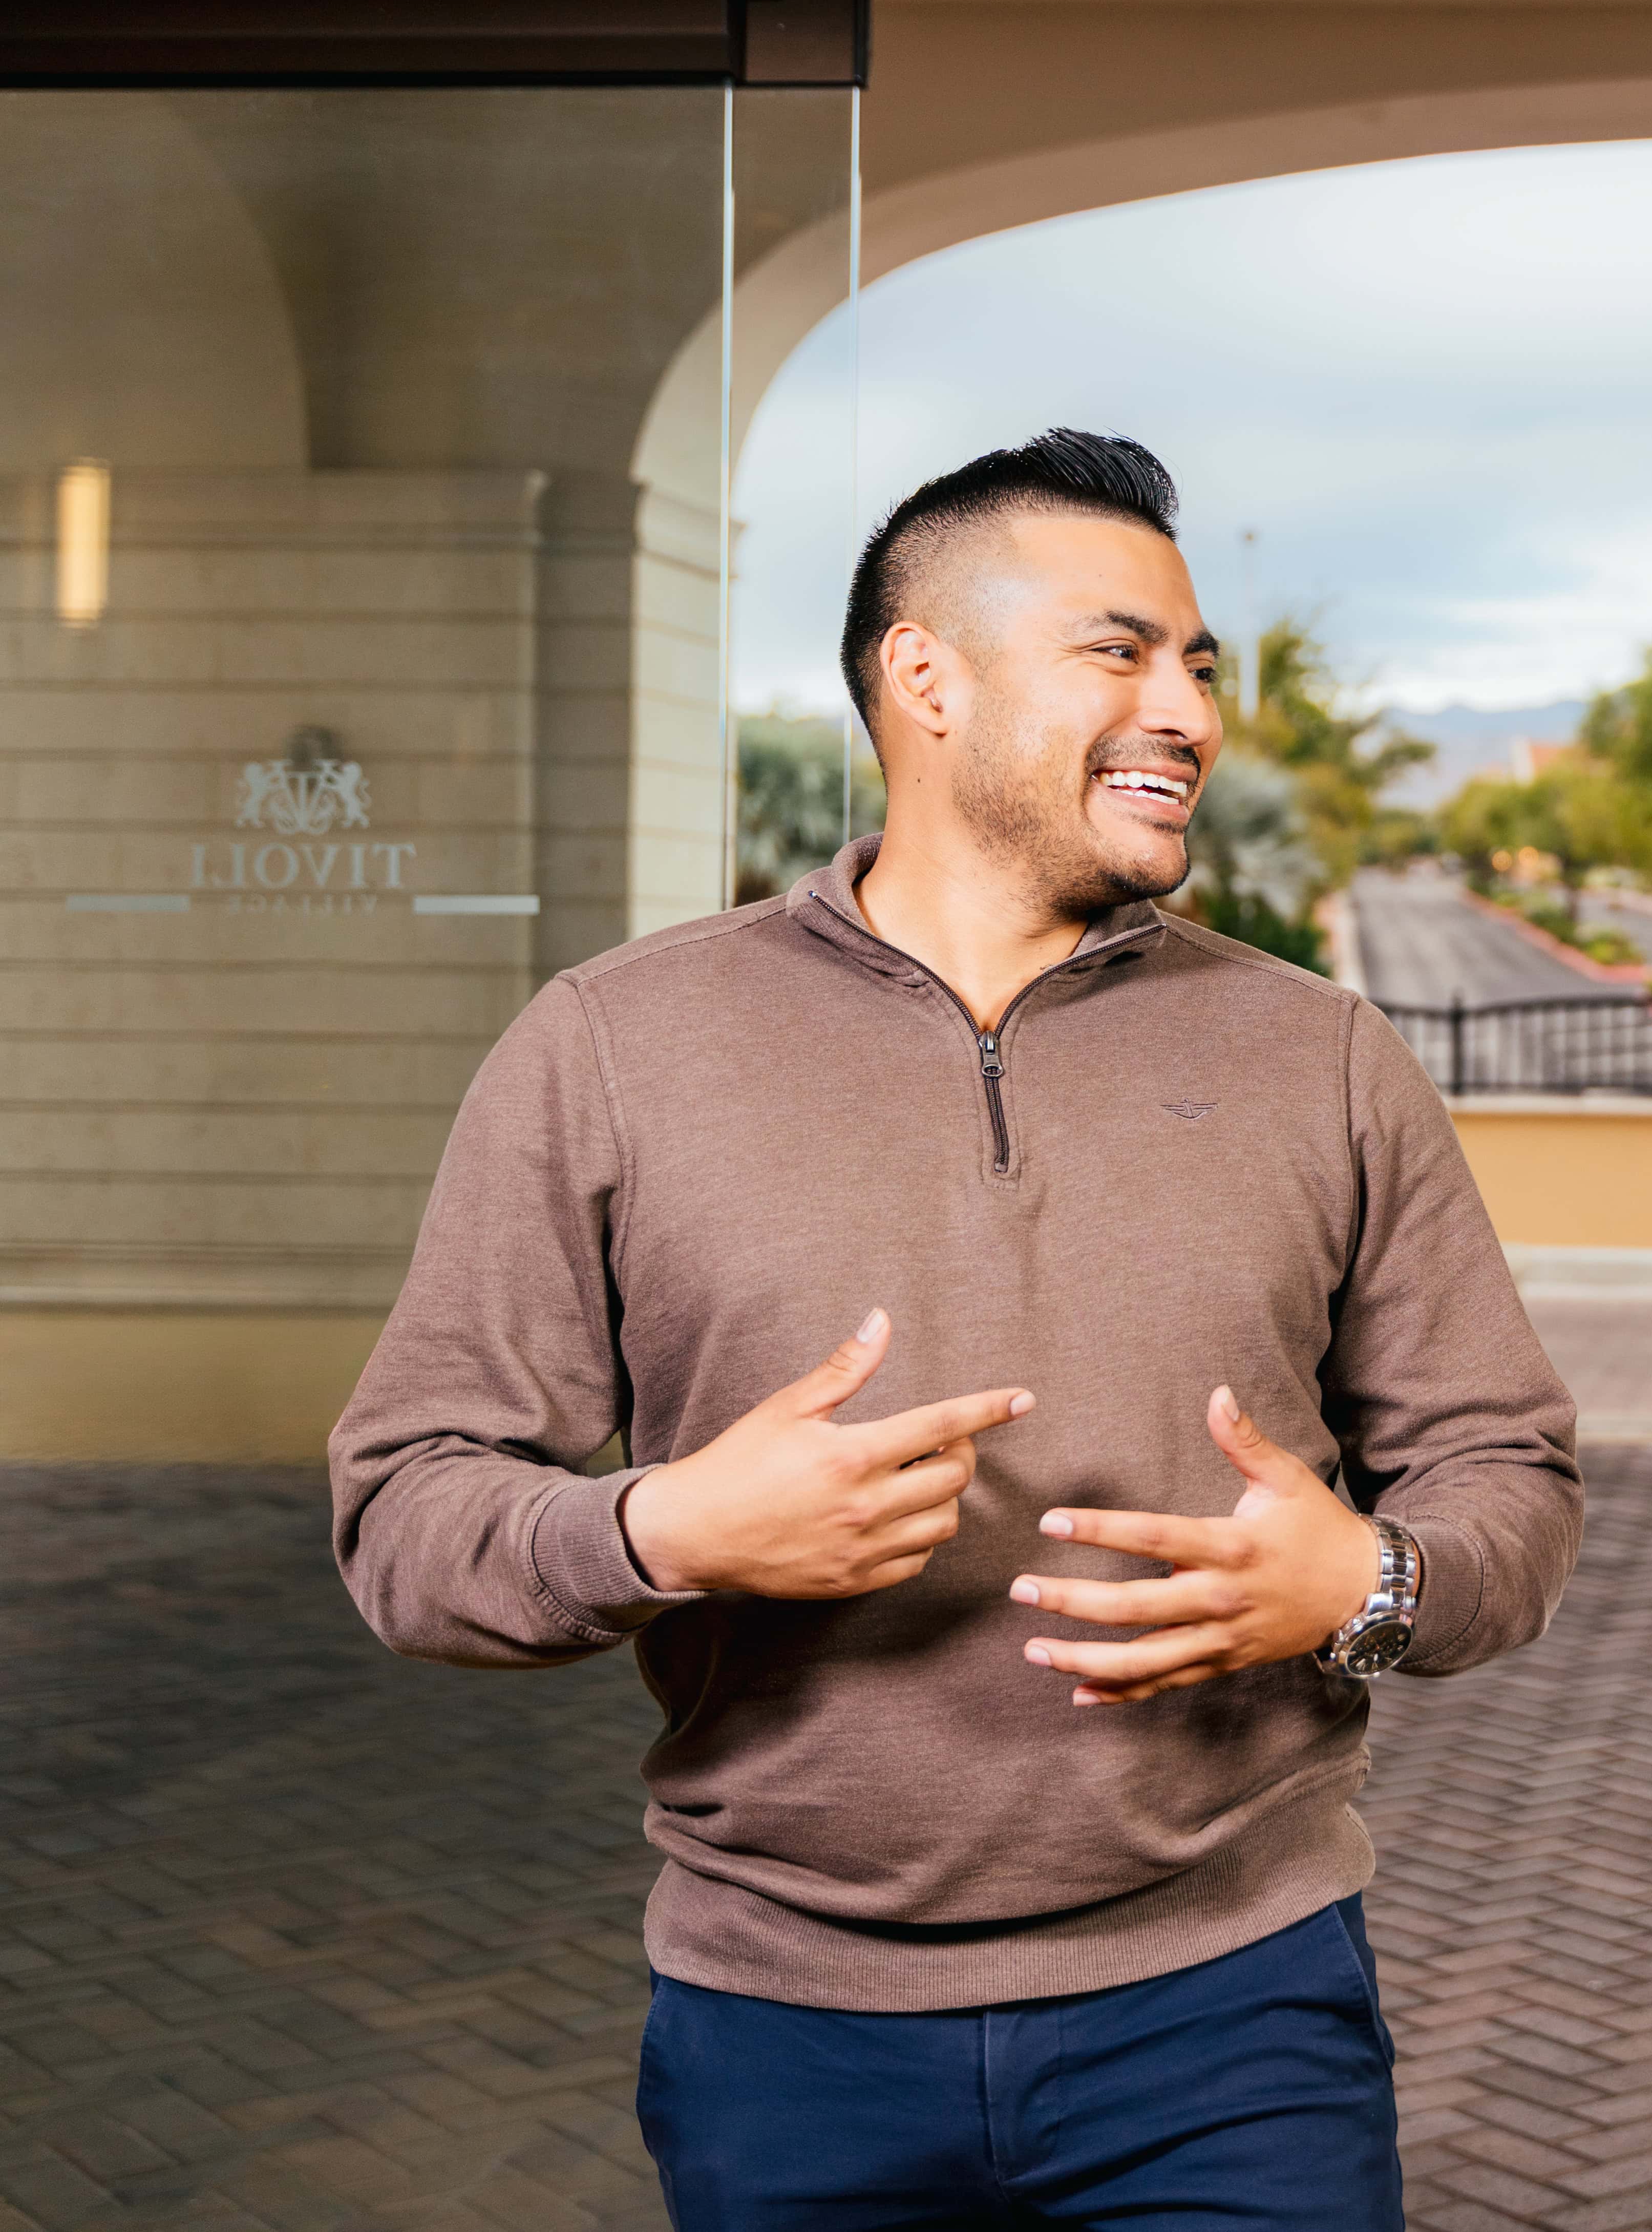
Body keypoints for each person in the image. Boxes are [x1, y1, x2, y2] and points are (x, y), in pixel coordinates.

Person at [329, 430, 1581, 2232]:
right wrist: (662, 1529)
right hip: (785, 2039)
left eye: (1199, 665)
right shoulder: (613, 1046)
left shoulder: (1321, 1054)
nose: (1188, 714)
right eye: (1120, 653)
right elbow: (404, 1515)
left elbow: (1507, 1473)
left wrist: (1370, 1583)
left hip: (1238, 2018)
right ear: (926, 679)